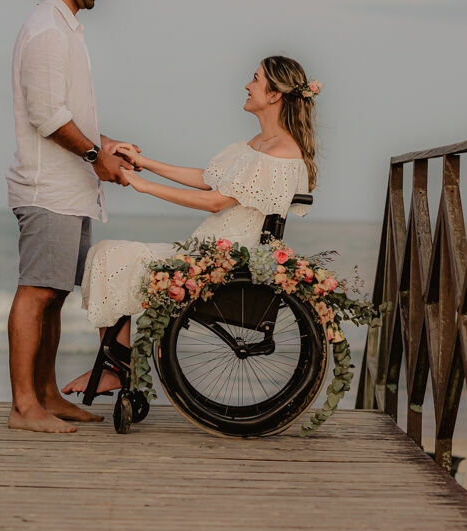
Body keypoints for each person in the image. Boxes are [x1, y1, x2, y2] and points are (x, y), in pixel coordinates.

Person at [62, 55, 318, 395]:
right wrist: (144, 162)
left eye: (255, 79)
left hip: (223, 260)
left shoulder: (282, 151)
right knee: (107, 255)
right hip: (209, 249)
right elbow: (205, 179)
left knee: (112, 256)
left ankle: (116, 369)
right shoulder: (258, 146)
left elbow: (215, 200)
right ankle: (116, 366)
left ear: (274, 95)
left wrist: (144, 186)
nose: (247, 84)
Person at [7, 0, 138, 433]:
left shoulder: (66, 29)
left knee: (55, 294)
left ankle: (45, 394)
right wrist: (93, 154)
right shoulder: (46, 29)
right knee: (37, 292)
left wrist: (105, 146)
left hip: (70, 187)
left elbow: (67, 111)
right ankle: (24, 407)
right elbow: (44, 114)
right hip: (48, 189)